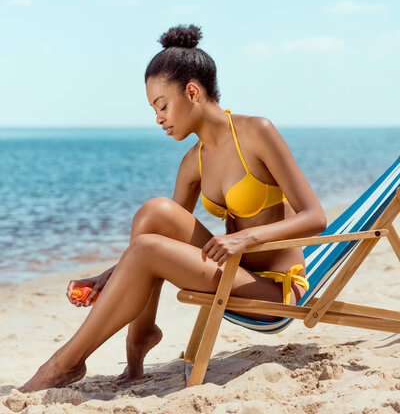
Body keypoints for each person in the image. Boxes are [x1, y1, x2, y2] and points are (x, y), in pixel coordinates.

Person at [19, 24, 327, 392]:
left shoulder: (256, 132)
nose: (159, 118)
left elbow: (315, 217)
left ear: (193, 91)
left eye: (162, 105)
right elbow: (153, 240)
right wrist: (108, 276)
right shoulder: (192, 161)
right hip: (233, 272)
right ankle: (140, 342)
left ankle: (64, 365)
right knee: (155, 212)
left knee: (149, 245)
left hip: (273, 291)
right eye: (154, 109)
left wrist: (245, 238)